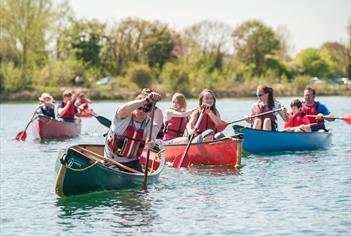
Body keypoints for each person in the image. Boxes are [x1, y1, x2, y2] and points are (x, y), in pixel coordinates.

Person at [104, 90, 161, 172]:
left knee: (138, 181)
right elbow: (123, 109)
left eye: (146, 109)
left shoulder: (152, 125)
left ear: (150, 111)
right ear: (135, 106)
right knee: (118, 179)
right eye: (140, 108)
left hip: (132, 162)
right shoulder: (122, 116)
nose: (142, 111)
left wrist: (150, 142)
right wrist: (146, 100)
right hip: (112, 160)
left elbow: (151, 137)